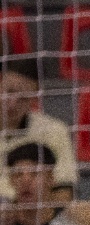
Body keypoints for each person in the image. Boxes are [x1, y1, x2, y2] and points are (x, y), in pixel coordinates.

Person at [0, 56, 77, 205]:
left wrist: (21, 211)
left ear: (35, 98)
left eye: (23, 98)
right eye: (9, 92)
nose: (12, 104)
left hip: (31, 212)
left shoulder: (54, 130)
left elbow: (64, 192)